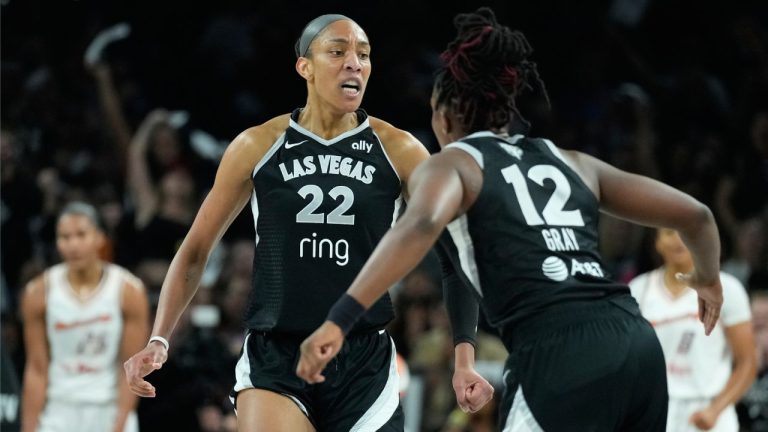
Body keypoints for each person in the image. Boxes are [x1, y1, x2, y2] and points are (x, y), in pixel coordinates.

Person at [296, 7, 724, 431]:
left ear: (444, 116)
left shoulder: (454, 164)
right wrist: (707, 277)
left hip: (559, 352)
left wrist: (340, 318)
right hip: (638, 344)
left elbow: (422, 224)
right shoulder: (572, 162)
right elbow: (697, 216)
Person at [123, 13, 492, 432]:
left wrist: (464, 359)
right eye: (338, 52)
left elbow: (457, 256)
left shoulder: (401, 150)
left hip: (362, 360)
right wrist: (159, 338)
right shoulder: (257, 145)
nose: (354, 63)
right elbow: (195, 250)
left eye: (364, 55)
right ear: (305, 66)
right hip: (277, 353)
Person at [20, 202, 149, 432]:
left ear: (100, 238)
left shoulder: (128, 291)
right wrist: (28, 427)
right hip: (58, 408)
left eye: (81, 235)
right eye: (65, 237)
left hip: (108, 407)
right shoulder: (38, 292)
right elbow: (37, 367)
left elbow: (130, 368)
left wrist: (119, 424)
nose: (73, 245)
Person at [629, 229, 756, 432]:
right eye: (669, 232)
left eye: (686, 232)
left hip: (709, 413)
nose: (678, 240)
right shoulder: (638, 289)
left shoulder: (727, 288)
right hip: (656, 409)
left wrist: (715, 409)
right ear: (657, 242)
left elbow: (747, 362)